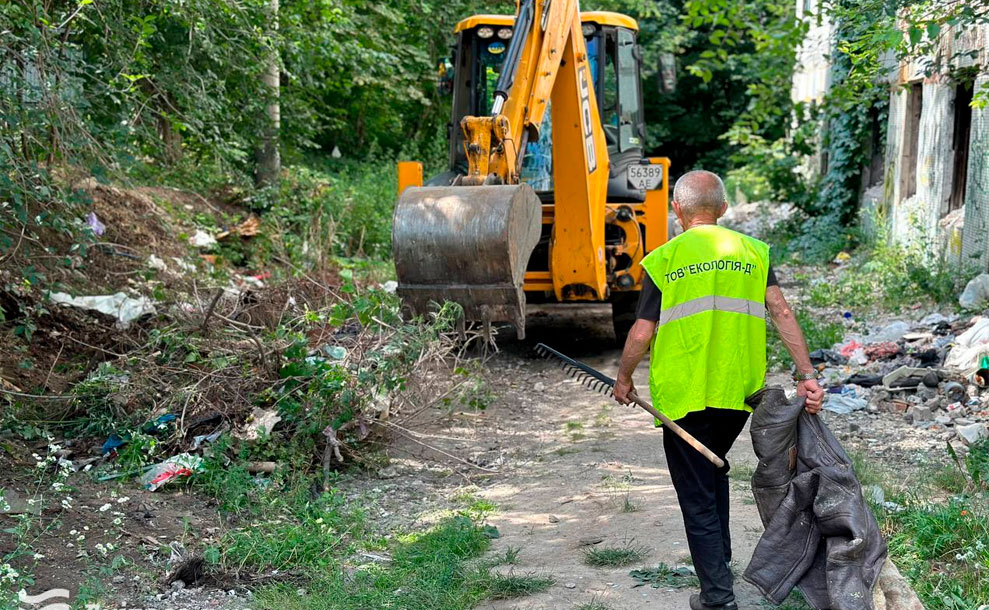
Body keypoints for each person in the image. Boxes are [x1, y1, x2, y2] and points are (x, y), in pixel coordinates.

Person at [613, 170, 825, 610]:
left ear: (677, 209)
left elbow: (642, 332)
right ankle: (721, 567)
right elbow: (782, 313)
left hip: (684, 396)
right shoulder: (752, 252)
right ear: (723, 209)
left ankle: (717, 598)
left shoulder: (665, 258)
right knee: (712, 468)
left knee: (697, 495)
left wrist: (624, 378)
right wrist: (807, 373)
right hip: (736, 393)